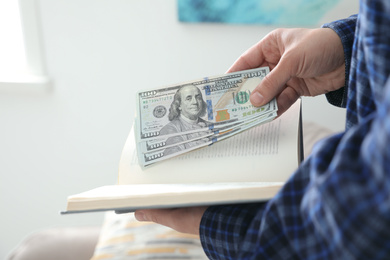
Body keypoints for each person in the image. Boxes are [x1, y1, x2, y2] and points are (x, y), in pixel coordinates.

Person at [135, 0, 390, 258]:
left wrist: (227, 227)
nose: (196, 101)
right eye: (187, 99)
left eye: (196, 97)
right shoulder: (170, 132)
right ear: (177, 105)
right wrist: (344, 47)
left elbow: (372, 199)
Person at [159, 84, 210, 155]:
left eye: (198, 98)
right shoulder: (169, 129)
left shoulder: (210, 125)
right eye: (188, 99)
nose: (195, 102)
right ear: (179, 105)